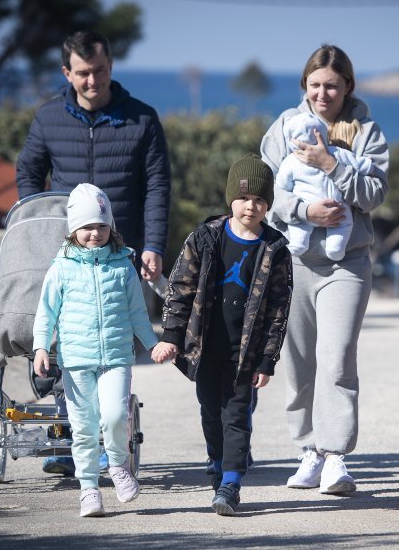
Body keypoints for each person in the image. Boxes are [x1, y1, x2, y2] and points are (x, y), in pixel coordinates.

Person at [16, 29, 171, 475]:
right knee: (69, 344)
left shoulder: (142, 119)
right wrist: (40, 219)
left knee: (113, 344)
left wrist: (154, 245)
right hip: (68, 256)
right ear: (67, 72)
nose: (92, 81)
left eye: (99, 71)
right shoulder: (48, 118)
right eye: (82, 73)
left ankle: (107, 440)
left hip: (122, 254)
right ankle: (73, 440)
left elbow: (158, 187)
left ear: (110, 67)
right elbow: (28, 170)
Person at [260, 44, 389, 494]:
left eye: (332, 85)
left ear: (347, 86)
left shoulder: (368, 132)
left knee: (335, 359)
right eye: (315, 84)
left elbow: (374, 195)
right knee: (296, 364)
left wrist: (330, 162)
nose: (323, 93)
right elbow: (267, 194)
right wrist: (304, 210)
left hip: (346, 263)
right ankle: (308, 451)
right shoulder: (283, 129)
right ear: (304, 86)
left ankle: (335, 457)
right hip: (293, 261)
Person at [151, 154, 293, 516]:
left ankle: (231, 482)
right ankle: (217, 461)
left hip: (243, 355)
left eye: (260, 200)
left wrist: (267, 359)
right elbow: (180, 290)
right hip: (203, 348)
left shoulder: (275, 250)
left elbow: (279, 310)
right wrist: (171, 336)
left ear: (268, 205)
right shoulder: (204, 238)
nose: (252, 206)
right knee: (210, 412)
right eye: (245, 198)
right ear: (231, 199)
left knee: (236, 415)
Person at [32, 183, 160, 517]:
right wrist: (41, 348)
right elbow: (46, 313)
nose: (95, 233)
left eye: (102, 226)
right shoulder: (61, 267)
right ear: (73, 229)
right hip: (75, 361)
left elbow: (137, 314)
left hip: (116, 357)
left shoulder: (122, 265)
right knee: (85, 428)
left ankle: (118, 465)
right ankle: (88, 488)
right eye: (87, 226)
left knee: (115, 416)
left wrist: (153, 344)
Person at [276, 112, 374, 261]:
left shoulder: (290, 161)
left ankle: (298, 243)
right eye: (315, 85)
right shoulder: (336, 152)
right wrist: (368, 166)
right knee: (344, 223)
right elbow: (359, 163)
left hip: (305, 207)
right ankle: (335, 248)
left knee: (299, 227)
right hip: (336, 208)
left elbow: (282, 185)